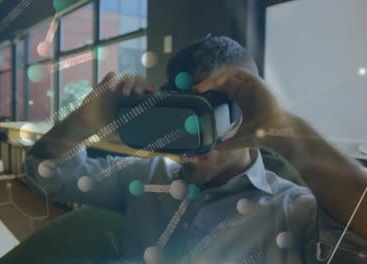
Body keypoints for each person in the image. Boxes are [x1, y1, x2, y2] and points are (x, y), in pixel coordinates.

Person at [23, 36, 367, 263]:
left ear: (246, 114)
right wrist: (87, 120)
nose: (191, 131)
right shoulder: (147, 178)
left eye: (212, 112)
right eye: (184, 112)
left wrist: (283, 129)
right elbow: (47, 175)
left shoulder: (293, 211)